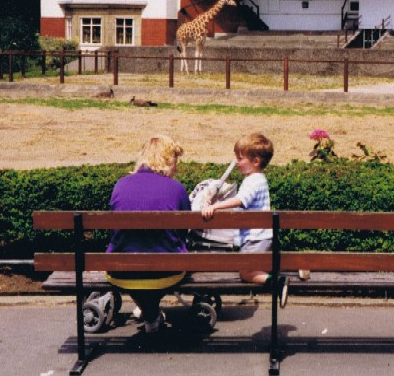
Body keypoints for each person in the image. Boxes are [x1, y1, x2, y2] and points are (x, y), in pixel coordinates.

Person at [106, 134, 189, 333]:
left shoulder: (121, 184)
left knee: (136, 263)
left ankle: (150, 315)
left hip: (122, 272)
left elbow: (113, 231)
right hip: (167, 272)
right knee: (172, 254)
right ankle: (151, 315)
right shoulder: (176, 188)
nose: (176, 168)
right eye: (175, 162)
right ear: (168, 161)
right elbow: (184, 231)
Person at [200, 132, 288, 307]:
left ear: (255, 162)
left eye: (240, 159)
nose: (236, 162)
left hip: (256, 237)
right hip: (260, 236)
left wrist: (215, 206)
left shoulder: (252, 181)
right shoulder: (258, 179)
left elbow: (241, 200)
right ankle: (273, 279)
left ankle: (277, 282)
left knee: (245, 273)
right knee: (250, 269)